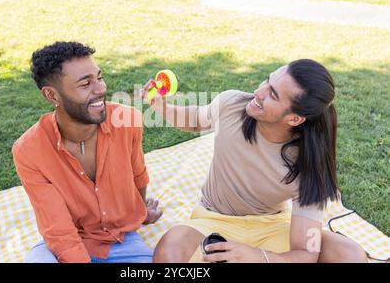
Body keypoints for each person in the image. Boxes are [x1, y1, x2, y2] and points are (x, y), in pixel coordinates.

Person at [142, 59, 367, 263]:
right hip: (213, 220)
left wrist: (259, 257)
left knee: (350, 255)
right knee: (169, 251)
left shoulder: (310, 164)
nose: (258, 92)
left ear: (295, 118)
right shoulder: (231, 105)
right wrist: (162, 107)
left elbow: (306, 253)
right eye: (267, 82)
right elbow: (195, 120)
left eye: (273, 95)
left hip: (271, 228)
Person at [12, 41, 162, 263]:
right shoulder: (29, 151)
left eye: (99, 78)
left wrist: (139, 212)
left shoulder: (128, 120)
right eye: (85, 84)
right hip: (64, 245)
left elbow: (137, 172)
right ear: (52, 96)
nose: (100, 89)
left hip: (121, 240)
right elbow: (58, 230)